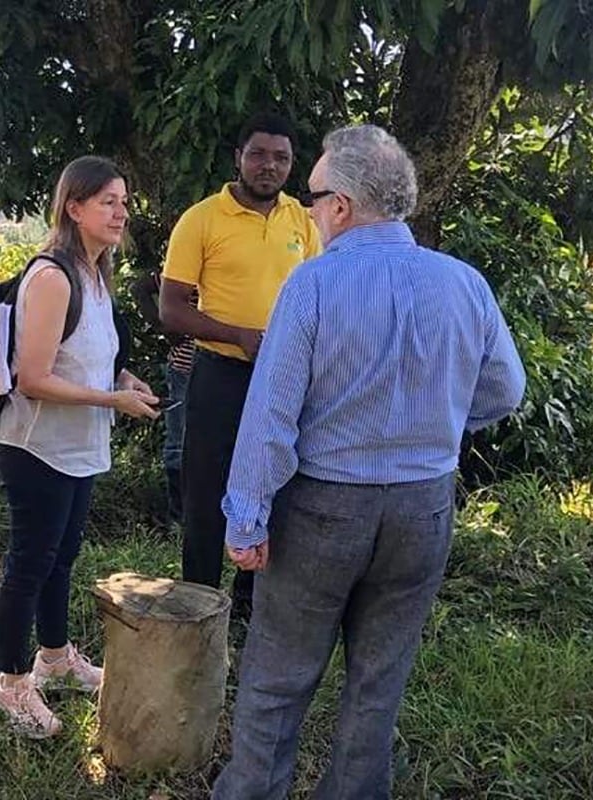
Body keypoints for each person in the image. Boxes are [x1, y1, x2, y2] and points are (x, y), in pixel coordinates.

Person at [212, 125, 526, 800]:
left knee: (277, 679)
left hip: (322, 510)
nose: (311, 210)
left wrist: (246, 517)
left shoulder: (313, 284)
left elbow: (271, 418)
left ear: (343, 206)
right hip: (423, 507)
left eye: (315, 196)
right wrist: (436, 424)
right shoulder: (464, 283)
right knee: (380, 682)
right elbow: (506, 391)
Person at [0, 156, 159, 738]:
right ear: (74, 207)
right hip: (38, 448)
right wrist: (113, 403)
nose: (121, 212)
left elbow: (88, 359)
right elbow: (31, 377)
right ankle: (10, 686)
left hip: (78, 446)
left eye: (125, 201)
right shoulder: (53, 276)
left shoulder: (95, 273)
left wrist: (122, 382)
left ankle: (54, 658)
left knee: (61, 559)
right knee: (29, 566)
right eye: (107, 201)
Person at [159, 112, 322, 620]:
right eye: (258, 154)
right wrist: (240, 338)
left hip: (283, 379)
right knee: (206, 491)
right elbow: (172, 308)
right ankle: (199, 606)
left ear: (292, 165)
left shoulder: (302, 220)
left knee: (271, 486)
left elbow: (321, 295)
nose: (268, 166)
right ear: (238, 158)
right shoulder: (203, 218)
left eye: (281, 157)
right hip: (219, 374)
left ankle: (251, 604)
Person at [133, 271, 195, 524]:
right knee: (178, 442)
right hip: (185, 367)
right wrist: (163, 327)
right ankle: (178, 519)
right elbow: (140, 287)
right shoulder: (189, 266)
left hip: (227, 369)